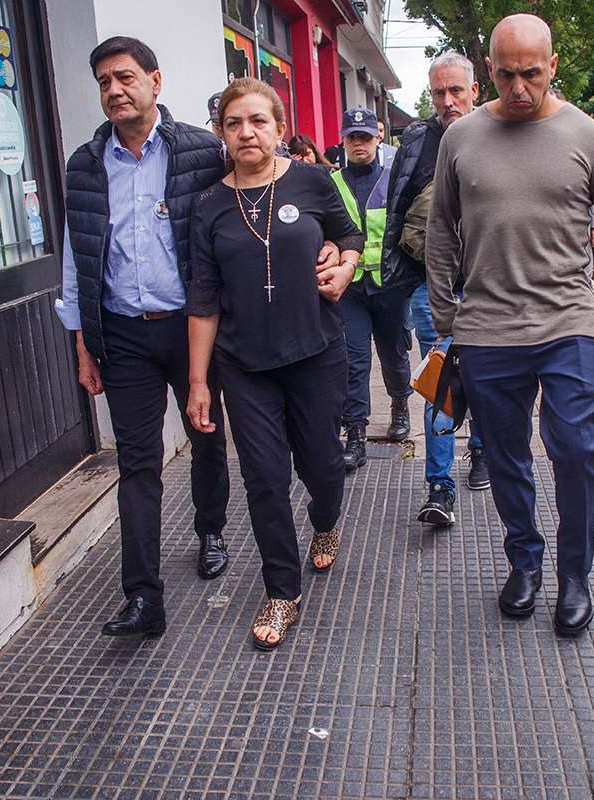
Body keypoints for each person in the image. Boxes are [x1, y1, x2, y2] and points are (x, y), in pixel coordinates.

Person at [425, 15, 594, 636]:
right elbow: (441, 230)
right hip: (487, 330)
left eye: (532, 72)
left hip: (569, 322)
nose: (519, 85)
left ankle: (575, 574)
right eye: (506, 73)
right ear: (488, 70)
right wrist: (448, 319)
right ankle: (524, 560)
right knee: (504, 455)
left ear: (552, 66)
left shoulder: (586, 134)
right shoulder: (461, 138)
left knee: (578, 450)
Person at [56, 37, 232, 637]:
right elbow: (75, 258)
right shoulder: (85, 163)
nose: (115, 90)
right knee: (137, 461)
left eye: (126, 77)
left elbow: (249, 207)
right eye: (104, 81)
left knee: (205, 435)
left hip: (189, 329)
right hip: (122, 335)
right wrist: (82, 340)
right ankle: (143, 597)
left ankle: (210, 529)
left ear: (155, 82)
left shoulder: (202, 152)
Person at [186, 78, 361, 651]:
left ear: (280, 129)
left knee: (323, 467)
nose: (247, 132)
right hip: (244, 365)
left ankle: (327, 520)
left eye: (258, 121)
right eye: (234, 123)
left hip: (315, 353)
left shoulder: (313, 180)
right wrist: (197, 382)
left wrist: (346, 265)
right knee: (264, 477)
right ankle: (282, 590)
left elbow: (348, 235)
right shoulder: (210, 205)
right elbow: (204, 299)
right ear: (221, 134)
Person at [381, 52, 488, 526]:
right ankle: (439, 487)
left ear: (474, 91)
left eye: (456, 91)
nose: (447, 101)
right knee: (441, 381)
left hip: (493, 289)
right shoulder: (417, 141)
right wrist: (395, 273)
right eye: (439, 93)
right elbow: (397, 206)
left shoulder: (497, 131)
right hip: (434, 285)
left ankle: (482, 451)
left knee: (486, 376)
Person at [334, 107, 415, 469]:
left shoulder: (393, 181)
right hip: (348, 287)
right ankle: (355, 434)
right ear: (344, 140)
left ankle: (400, 405)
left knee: (395, 355)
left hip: (389, 286)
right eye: (352, 137)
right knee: (353, 361)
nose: (359, 143)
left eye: (365, 136)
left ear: (378, 138)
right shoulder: (331, 183)